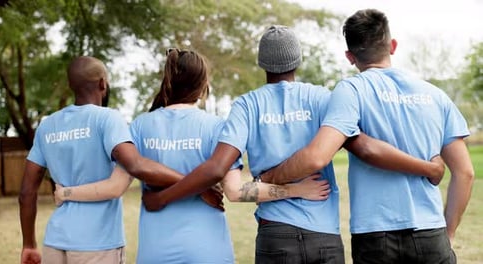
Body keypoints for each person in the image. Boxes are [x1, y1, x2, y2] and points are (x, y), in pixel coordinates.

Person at [142, 25, 446, 263]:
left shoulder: (246, 106)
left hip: (275, 238)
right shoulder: (325, 100)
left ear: (262, 63)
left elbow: (234, 191)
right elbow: (366, 146)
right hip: (324, 239)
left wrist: (281, 189)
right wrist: (427, 166)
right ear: (298, 60)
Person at [52, 48, 331, 264]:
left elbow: (115, 186)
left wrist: (66, 192)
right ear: (203, 85)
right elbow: (238, 192)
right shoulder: (218, 128)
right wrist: (294, 190)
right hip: (208, 250)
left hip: (155, 251)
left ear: (168, 82)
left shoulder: (138, 126)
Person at [258, 10, 475, 264]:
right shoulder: (435, 95)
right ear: (392, 46)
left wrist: (265, 179)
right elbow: (465, 174)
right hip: (431, 232)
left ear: (350, 56)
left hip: (375, 236)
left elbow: (317, 157)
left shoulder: (351, 91)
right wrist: (447, 233)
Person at [19, 55, 210, 264]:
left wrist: (29, 244)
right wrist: (195, 183)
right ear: (103, 83)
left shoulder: (47, 126)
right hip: (98, 243)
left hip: (55, 243)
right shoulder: (107, 118)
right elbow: (136, 164)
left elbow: (26, 192)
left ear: (71, 85)